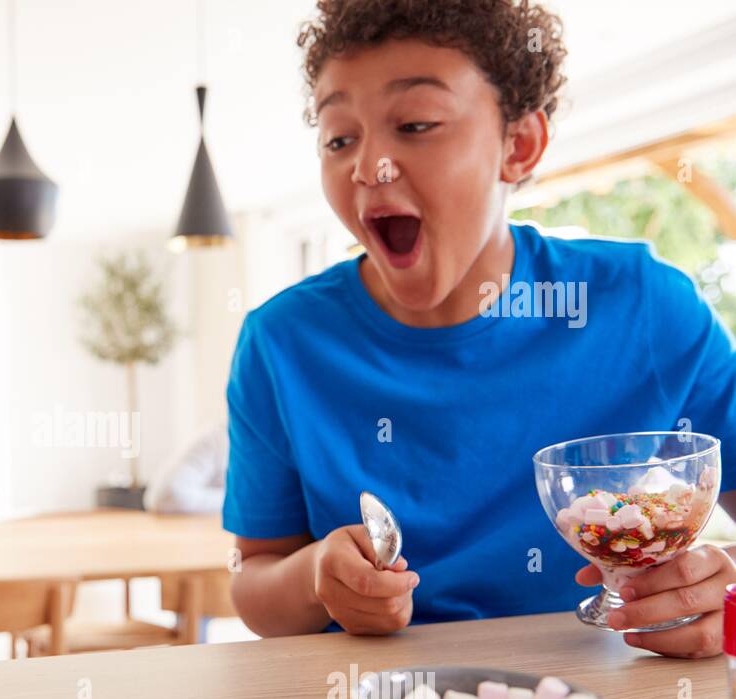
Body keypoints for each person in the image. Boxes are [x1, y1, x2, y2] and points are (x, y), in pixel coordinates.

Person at [223, 1, 736, 658]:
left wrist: (717, 592)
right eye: (339, 138)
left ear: (518, 146)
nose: (369, 167)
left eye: (415, 124)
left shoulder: (645, 308)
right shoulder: (281, 343)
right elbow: (252, 579)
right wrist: (316, 577)